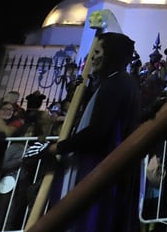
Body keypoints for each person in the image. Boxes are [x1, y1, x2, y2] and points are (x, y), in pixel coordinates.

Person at [44, 32, 142, 232]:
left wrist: (59, 147)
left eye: (97, 51)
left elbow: (98, 132)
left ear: (110, 54)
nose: (92, 57)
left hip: (100, 171)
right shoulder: (121, 82)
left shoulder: (115, 84)